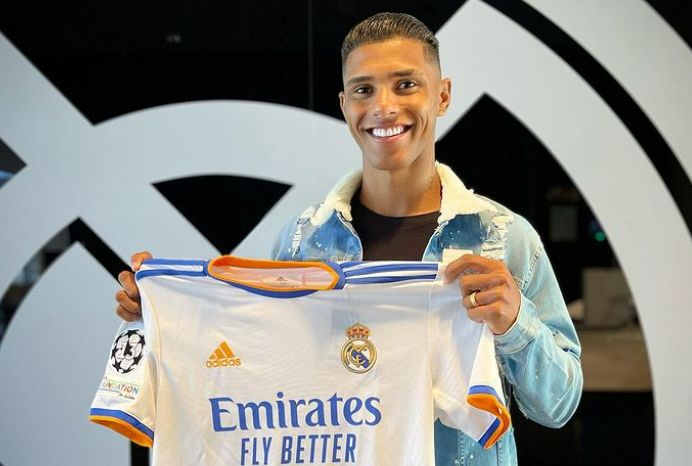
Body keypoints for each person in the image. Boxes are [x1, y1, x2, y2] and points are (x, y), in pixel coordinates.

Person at [114, 12, 582, 466]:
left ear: (442, 96)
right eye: (364, 89)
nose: (383, 106)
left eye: (406, 84)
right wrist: (164, 313)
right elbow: (264, 374)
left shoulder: (502, 239)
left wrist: (515, 322)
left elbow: (558, 407)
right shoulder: (301, 243)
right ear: (344, 106)